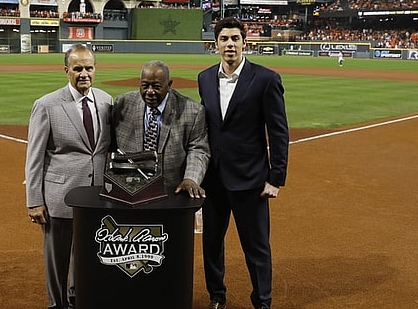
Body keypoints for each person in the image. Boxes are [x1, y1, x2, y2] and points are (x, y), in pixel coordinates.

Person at [197, 16, 290, 309]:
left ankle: (262, 301)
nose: (230, 45)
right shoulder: (204, 78)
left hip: (250, 179)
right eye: (224, 39)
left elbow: (278, 131)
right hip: (213, 179)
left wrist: (276, 178)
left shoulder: (265, 79)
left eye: (235, 39)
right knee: (211, 244)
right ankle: (217, 296)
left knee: (256, 246)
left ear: (244, 43)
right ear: (215, 45)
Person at [25, 43, 112, 309]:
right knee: (58, 259)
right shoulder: (47, 105)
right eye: (77, 68)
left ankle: (78, 298)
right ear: (66, 71)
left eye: (89, 68)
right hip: (60, 197)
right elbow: (34, 157)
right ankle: (57, 303)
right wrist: (34, 200)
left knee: (88, 255)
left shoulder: (107, 101)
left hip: (96, 196)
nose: (84, 73)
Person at [112, 60, 209, 198]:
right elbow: (111, 144)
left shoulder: (192, 111)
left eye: (157, 86)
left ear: (169, 85)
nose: (150, 91)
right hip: (129, 188)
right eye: (145, 86)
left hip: (171, 189)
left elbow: (198, 149)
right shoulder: (122, 104)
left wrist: (190, 178)